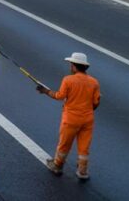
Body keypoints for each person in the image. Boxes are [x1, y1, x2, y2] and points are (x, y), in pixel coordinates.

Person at [38, 52, 100, 180]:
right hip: (87, 120)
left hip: (71, 119)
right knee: (84, 146)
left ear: (74, 66)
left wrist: (45, 91)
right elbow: (96, 103)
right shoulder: (94, 82)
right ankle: (82, 171)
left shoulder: (68, 80)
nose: (70, 67)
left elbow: (59, 96)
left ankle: (57, 165)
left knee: (64, 144)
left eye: (71, 64)